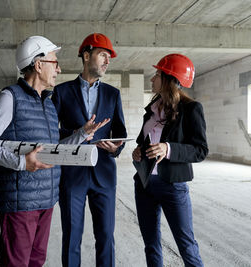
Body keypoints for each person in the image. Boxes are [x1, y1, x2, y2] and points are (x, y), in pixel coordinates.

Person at [0, 35, 109, 267]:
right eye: (54, 62)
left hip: (46, 200)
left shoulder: (47, 103)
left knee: (37, 262)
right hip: (20, 202)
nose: (59, 68)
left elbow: (52, 151)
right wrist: (21, 162)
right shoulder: (10, 98)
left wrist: (81, 135)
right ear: (38, 65)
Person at [51, 33, 127, 267]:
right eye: (102, 55)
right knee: (72, 237)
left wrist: (115, 148)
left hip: (103, 174)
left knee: (105, 237)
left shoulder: (113, 94)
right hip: (72, 176)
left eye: (109, 57)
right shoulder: (61, 92)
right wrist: (78, 133)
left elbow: (119, 134)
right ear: (86, 56)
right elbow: (51, 134)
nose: (107, 61)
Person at [132, 54, 208, 267]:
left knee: (186, 246)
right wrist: (137, 152)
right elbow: (142, 140)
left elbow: (200, 150)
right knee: (151, 244)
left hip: (172, 185)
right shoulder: (152, 110)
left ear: (169, 78)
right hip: (145, 184)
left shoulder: (192, 109)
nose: (152, 79)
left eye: (156, 74)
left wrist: (169, 149)